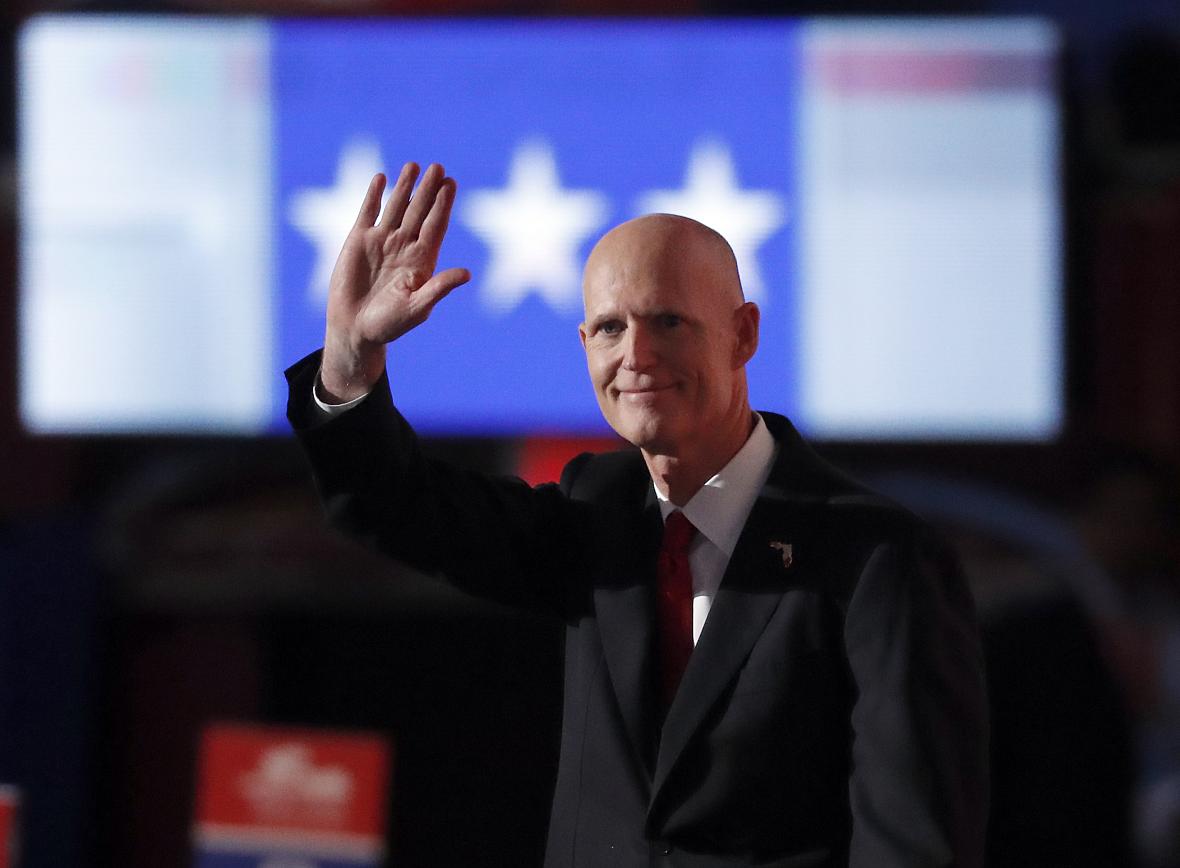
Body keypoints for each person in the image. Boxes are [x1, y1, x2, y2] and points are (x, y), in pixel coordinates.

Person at [286, 162, 989, 867]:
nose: (635, 356)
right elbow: (401, 507)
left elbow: (913, 843)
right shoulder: (597, 513)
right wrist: (349, 360)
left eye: (669, 322)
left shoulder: (878, 559)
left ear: (743, 335)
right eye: (609, 328)